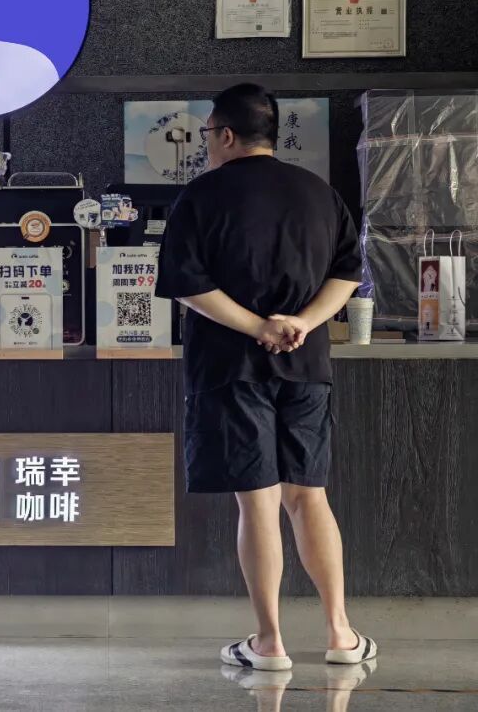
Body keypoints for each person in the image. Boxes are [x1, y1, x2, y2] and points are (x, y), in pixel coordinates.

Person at [156, 84, 378, 671]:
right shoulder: (319, 193)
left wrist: (258, 326)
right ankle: (341, 635)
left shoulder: (200, 196)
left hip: (230, 369)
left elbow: (189, 286)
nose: (207, 144)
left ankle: (270, 643)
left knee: (257, 503)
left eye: (208, 133)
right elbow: (348, 274)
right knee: (308, 497)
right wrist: (300, 323)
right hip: (305, 364)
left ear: (227, 135)